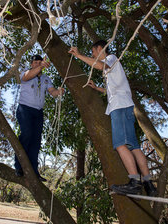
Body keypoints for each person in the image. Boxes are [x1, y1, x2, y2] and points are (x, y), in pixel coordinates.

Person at [68, 40, 157, 196]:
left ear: (100, 48)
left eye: (93, 52)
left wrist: (79, 55)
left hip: (120, 107)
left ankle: (135, 182)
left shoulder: (110, 58)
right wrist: (97, 88)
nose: (93, 55)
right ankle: (148, 184)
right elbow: (113, 90)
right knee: (134, 147)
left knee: (120, 145)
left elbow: (100, 65)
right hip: (125, 105)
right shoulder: (113, 66)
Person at [15, 55, 64, 181]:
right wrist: (41, 65)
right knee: (26, 134)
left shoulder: (45, 78)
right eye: (35, 62)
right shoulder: (25, 73)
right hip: (25, 109)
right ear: (31, 64)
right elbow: (27, 76)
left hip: (38, 112)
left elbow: (52, 92)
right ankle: (19, 167)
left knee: (36, 140)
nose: (37, 64)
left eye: (39, 62)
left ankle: (34, 170)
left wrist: (58, 92)